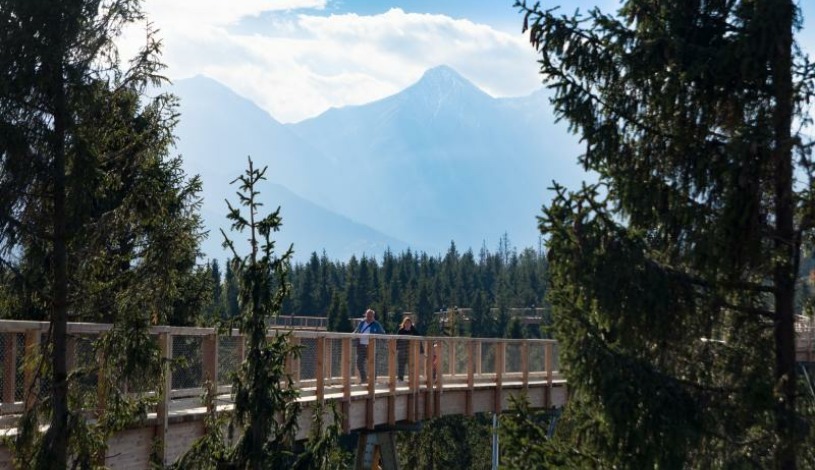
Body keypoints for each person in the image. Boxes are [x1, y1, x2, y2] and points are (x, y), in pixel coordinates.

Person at [353, 308, 385, 383]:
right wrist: (353, 336)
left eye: (370, 315)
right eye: (367, 315)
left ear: (373, 316)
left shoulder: (376, 324)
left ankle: (373, 380)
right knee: (359, 363)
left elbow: (382, 333)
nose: (369, 317)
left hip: (371, 346)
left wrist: (384, 341)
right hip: (361, 345)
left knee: (373, 364)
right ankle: (364, 379)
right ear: (365, 315)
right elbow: (356, 331)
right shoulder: (362, 323)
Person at [396, 316, 423, 382]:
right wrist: (396, 349)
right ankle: (400, 378)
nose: (407, 324)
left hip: (411, 352)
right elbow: (397, 340)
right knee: (401, 365)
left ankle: (411, 378)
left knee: (411, 364)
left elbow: (419, 339)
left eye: (409, 323)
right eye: (406, 323)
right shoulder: (401, 331)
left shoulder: (413, 331)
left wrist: (421, 350)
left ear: (411, 324)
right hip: (402, 351)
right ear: (404, 323)